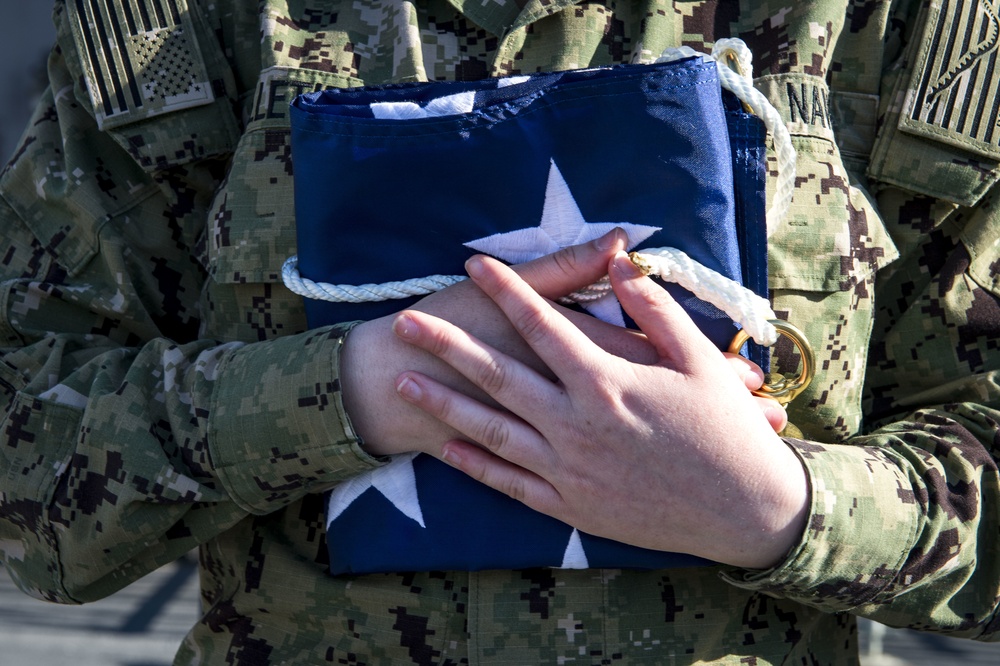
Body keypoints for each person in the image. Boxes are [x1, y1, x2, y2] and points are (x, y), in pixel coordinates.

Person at [1, 1, 998, 664]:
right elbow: (26, 474)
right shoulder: (188, 23)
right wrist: (353, 389)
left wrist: (779, 507)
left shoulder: (906, 26)